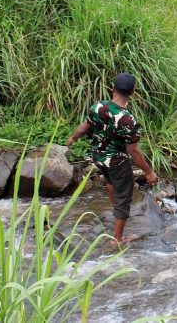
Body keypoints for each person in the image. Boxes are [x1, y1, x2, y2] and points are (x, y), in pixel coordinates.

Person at [66, 72, 158, 245]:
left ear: (113, 88)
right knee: (124, 197)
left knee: (110, 182)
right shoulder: (128, 120)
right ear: (132, 92)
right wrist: (149, 172)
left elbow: (85, 126)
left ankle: (117, 213)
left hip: (98, 157)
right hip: (117, 161)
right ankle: (118, 239)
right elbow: (134, 151)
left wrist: (73, 138)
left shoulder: (98, 106)